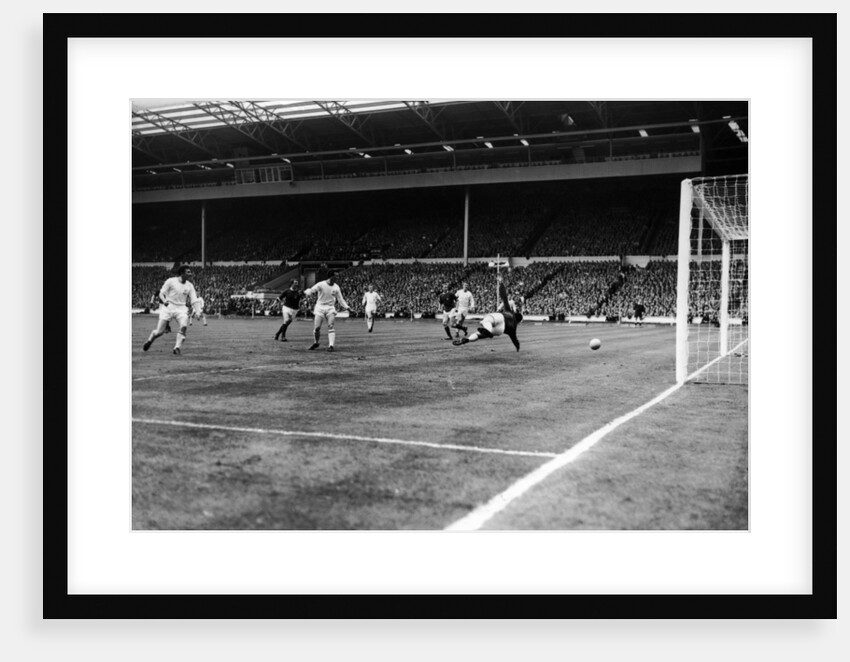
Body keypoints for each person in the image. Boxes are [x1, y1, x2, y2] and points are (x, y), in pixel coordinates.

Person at [142, 265, 200, 355]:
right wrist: (164, 301)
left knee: (184, 326)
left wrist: (198, 311)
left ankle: (177, 348)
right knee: (159, 332)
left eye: (190, 272)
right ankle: (150, 340)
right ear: (182, 273)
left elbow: (194, 300)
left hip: (181, 309)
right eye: (188, 272)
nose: (190, 274)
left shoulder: (190, 286)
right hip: (169, 307)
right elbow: (161, 293)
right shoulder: (171, 281)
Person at [453, 281, 523, 351]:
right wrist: (517, 347)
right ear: (518, 321)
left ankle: (468, 339)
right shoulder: (514, 326)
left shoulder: (509, 311)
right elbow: (514, 339)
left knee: (486, 325)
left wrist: (501, 284)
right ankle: (486, 332)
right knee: (483, 334)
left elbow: (504, 298)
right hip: (501, 327)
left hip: (494, 316)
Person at [301, 270, 352, 352]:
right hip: (320, 307)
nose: (338, 278)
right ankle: (316, 342)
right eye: (336, 276)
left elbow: (340, 299)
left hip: (330, 308)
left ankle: (331, 345)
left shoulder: (336, 287)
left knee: (331, 325)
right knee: (317, 328)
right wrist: (305, 293)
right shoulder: (321, 284)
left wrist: (348, 308)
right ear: (331, 276)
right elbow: (312, 290)